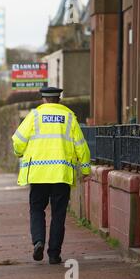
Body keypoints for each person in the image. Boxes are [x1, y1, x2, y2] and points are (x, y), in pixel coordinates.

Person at [12, 87, 91, 265]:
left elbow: (18, 140)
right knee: (59, 214)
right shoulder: (70, 117)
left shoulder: (35, 116)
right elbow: (81, 146)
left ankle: (38, 240)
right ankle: (54, 254)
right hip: (61, 174)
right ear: (59, 100)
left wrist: (19, 152)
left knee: (37, 209)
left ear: (43, 100)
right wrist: (85, 170)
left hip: (38, 174)